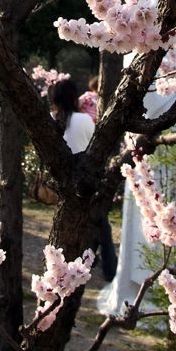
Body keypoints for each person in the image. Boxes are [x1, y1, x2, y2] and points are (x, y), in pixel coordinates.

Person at [97, 0, 176, 318]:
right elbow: (141, 107)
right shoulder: (141, 52)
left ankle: (171, 293)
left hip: (170, 155)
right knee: (151, 221)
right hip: (150, 157)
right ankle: (147, 291)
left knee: (170, 222)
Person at [48, 78, 118, 282]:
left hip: (61, 183)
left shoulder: (49, 120)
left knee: (72, 226)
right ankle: (109, 269)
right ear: (74, 98)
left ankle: (83, 262)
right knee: (101, 225)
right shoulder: (85, 120)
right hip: (87, 181)